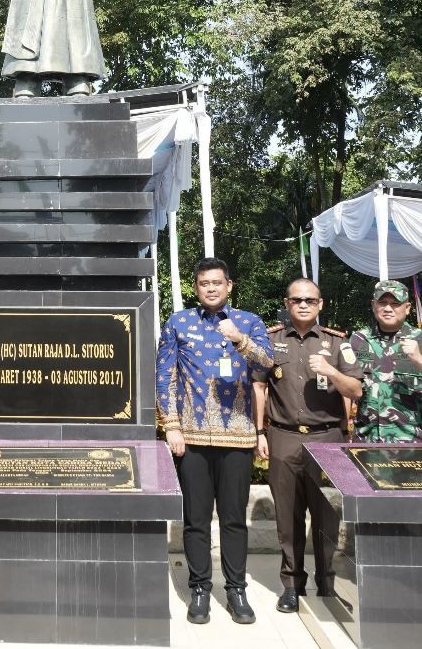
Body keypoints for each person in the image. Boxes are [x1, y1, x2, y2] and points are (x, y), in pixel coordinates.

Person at [156, 257, 273, 626]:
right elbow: (165, 374)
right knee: (195, 520)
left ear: (229, 285)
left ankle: (236, 589)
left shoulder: (249, 321)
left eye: (217, 282)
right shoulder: (179, 321)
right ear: (196, 287)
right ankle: (200, 589)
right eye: (204, 283)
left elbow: (267, 365)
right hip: (190, 436)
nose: (211, 288)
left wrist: (240, 341)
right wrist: (171, 425)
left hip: (237, 436)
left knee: (235, 519)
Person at [253, 278, 363, 613]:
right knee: (287, 515)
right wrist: (260, 432)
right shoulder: (271, 341)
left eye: (309, 300)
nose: (303, 304)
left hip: (327, 438)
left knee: (325, 514)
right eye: (296, 299)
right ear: (287, 304)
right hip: (284, 436)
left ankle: (326, 580)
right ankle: (292, 583)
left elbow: (355, 390)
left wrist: (330, 370)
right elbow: (260, 387)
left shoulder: (337, 343)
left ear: (320, 304)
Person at [350, 280, 422, 442]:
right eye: (382, 302)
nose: (388, 308)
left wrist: (418, 359)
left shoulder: (420, 339)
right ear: (373, 305)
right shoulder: (358, 339)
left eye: (395, 303)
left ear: (408, 308)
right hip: (366, 440)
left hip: (412, 442)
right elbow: (349, 389)